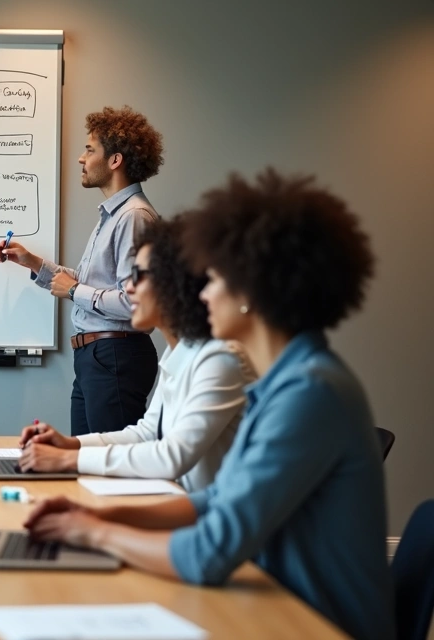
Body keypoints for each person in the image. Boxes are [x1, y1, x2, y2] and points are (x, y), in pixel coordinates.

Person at [22, 170, 392, 640]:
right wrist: (97, 517)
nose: (203, 292)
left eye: (214, 279)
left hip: (308, 621)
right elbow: (217, 500)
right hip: (276, 602)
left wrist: (91, 534)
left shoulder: (310, 393)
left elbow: (208, 554)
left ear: (251, 291)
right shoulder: (292, 381)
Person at [17, 217, 254, 492]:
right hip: (181, 508)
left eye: (138, 276)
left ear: (175, 283)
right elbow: (145, 434)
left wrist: (68, 458)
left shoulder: (220, 359)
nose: (128, 288)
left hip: (204, 523)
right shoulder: (180, 352)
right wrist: (70, 444)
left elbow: (171, 457)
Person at [0, 106, 164, 435]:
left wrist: (74, 291)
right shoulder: (113, 215)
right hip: (97, 356)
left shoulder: (133, 216)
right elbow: (92, 282)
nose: (80, 158)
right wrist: (33, 263)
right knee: (85, 463)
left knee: (111, 469)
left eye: (89, 149)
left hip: (114, 354)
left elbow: (136, 302)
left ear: (115, 160)